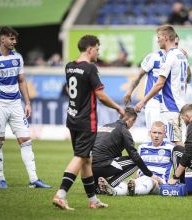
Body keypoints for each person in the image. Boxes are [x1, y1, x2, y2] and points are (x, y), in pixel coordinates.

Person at [52, 35, 125, 210]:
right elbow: (100, 95)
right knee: (80, 156)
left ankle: (93, 201)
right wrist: (118, 108)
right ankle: (60, 195)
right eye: (98, 49)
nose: (98, 53)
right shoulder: (90, 68)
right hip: (86, 120)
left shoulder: (70, 67)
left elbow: (72, 90)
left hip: (72, 118)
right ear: (90, 48)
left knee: (86, 160)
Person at [0, 26, 51, 189]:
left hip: (16, 105)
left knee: (26, 141)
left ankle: (34, 180)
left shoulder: (18, 58)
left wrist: (27, 103)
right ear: (2, 39)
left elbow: (22, 81)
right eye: (11, 38)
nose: (14, 41)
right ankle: (1, 179)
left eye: (15, 38)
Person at [135, 25, 189, 146]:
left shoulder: (170, 56)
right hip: (180, 104)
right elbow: (186, 82)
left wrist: (143, 101)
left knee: (176, 142)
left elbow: (159, 84)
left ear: (165, 37)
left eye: (159, 37)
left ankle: (190, 164)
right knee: (173, 141)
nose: (157, 40)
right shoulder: (183, 57)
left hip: (171, 106)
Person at [92, 107, 160, 193]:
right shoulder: (123, 130)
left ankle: (98, 187)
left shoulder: (105, 126)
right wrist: (150, 174)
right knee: (136, 162)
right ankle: (111, 184)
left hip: (90, 167)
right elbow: (134, 156)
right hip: (103, 164)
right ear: (131, 120)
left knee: (97, 190)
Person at [98, 121, 173, 196]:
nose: (156, 135)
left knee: (149, 181)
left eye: (159, 133)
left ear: (164, 134)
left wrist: (175, 180)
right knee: (127, 184)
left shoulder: (170, 148)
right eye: (154, 132)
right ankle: (113, 191)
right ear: (150, 133)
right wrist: (135, 179)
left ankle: (133, 191)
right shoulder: (142, 147)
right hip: (142, 178)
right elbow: (139, 165)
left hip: (159, 182)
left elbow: (178, 166)